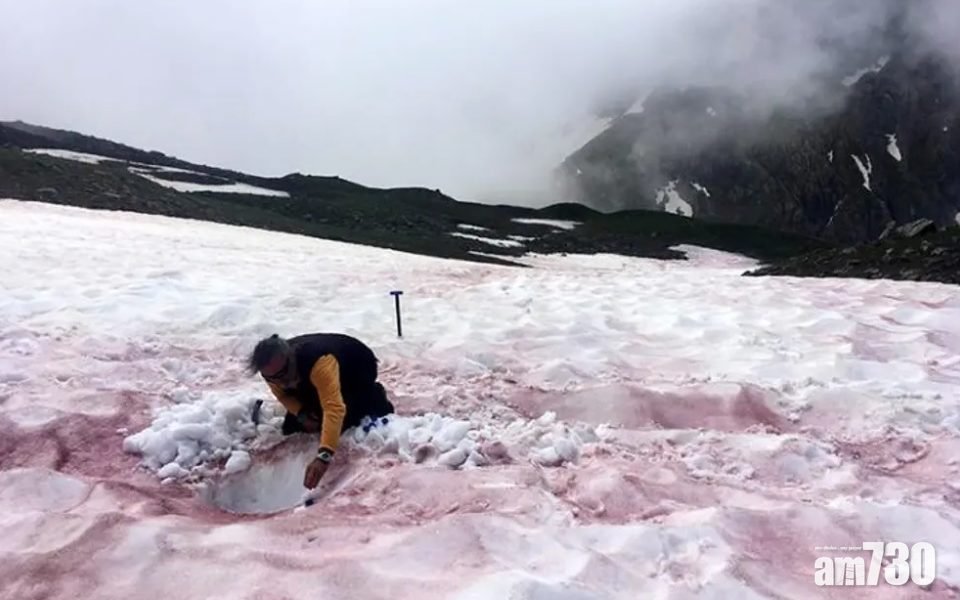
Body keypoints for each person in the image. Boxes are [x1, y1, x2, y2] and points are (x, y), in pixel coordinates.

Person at [247, 332, 395, 490]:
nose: (279, 382)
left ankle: (374, 395)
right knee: (293, 427)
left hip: (356, 367)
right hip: (308, 377)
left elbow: (334, 409)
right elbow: (283, 395)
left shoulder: (319, 362)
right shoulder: (272, 371)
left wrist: (324, 456)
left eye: (282, 375)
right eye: (271, 378)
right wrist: (302, 413)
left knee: (345, 422)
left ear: (290, 359)